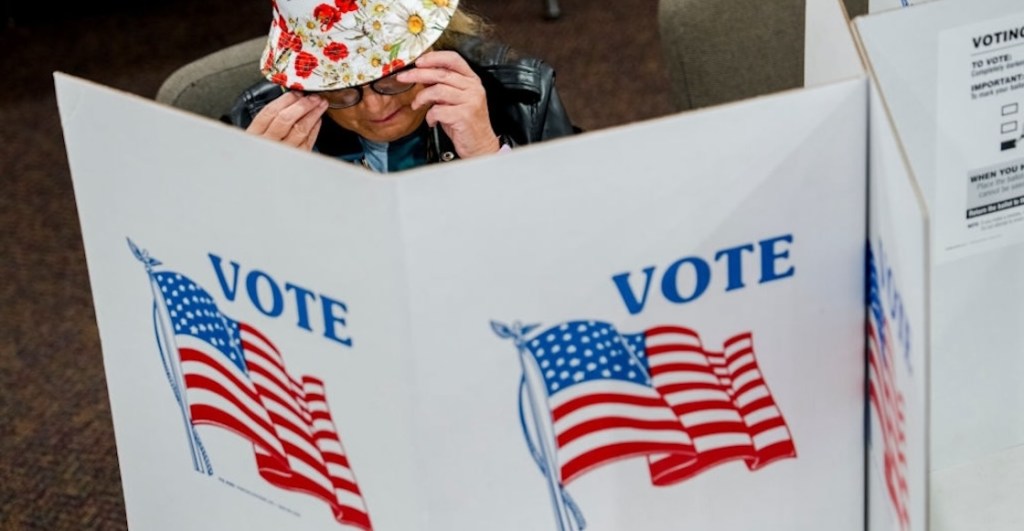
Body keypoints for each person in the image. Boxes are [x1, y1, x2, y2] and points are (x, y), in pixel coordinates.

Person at [226, 0, 578, 173]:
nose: (375, 109)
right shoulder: (258, 124)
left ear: (432, 43)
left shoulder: (523, 95)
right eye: (340, 88)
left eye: (392, 76)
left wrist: (489, 158)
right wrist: (259, 190)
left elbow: (578, 237)